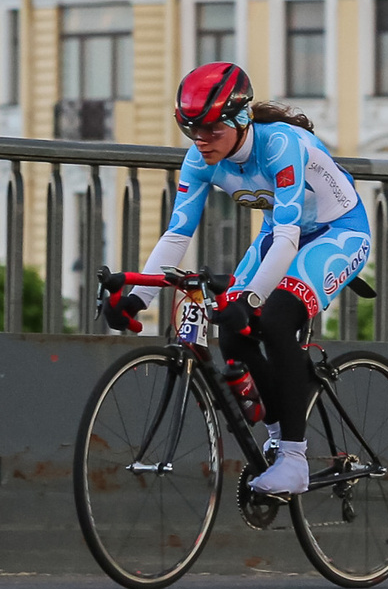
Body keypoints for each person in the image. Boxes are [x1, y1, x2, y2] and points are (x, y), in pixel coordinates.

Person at [117, 61, 372, 498]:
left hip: (338, 231)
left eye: (211, 129)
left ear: (240, 119)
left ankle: (294, 459)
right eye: (190, 129)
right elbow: (178, 233)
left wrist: (252, 300)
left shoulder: (280, 146)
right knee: (232, 332)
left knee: (273, 319)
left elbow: (292, 236)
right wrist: (137, 296)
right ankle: (277, 434)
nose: (200, 141)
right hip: (279, 234)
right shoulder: (200, 159)